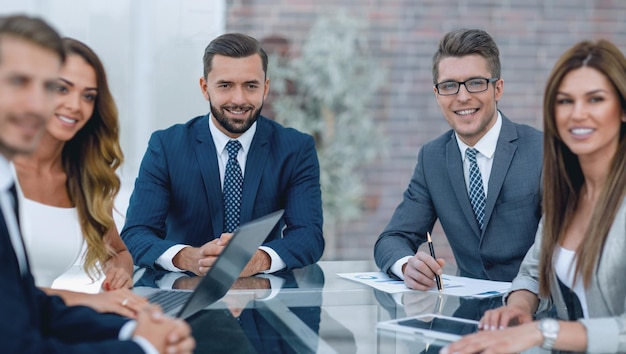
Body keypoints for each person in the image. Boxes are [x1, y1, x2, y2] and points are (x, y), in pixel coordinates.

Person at [0, 14, 194, 353]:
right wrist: (142, 345)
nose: (73, 106)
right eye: (20, 82)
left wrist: (130, 328)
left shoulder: (28, 184)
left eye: (88, 96)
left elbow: (28, 304)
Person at [442, 39, 626, 354]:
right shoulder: (567, 194)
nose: (577, 114)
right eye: (565, 101)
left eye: (595, 99)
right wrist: (519, 308)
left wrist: (543, 331)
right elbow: (532, 272)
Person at [121, 33, 324, 277]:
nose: (238, 100)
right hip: (183, 300)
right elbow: (135, 235)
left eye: (250, 86)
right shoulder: (166, 146)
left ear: (265, 88)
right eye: (225, 85)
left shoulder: (295, 149)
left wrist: (258, 260)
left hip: (260, 301)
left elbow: (309, 236)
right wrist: (189, 258)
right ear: (205, 88)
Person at [374, 28, 543, 290]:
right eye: (449, 86)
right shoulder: (433, 159)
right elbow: (392, 238)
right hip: (467, 314)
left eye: (475, 82)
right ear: (437, 95)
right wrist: (408, 265)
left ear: (497, 89)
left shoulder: (541, 151)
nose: (462, 97)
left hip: (535, 312)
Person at [12, 37, 145, 318]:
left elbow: (119, 254)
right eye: (62, 88)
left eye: (88, 96)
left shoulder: (84, 180)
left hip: (40, 327)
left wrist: (118, 273)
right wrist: (89, 302)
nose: (75, 105)